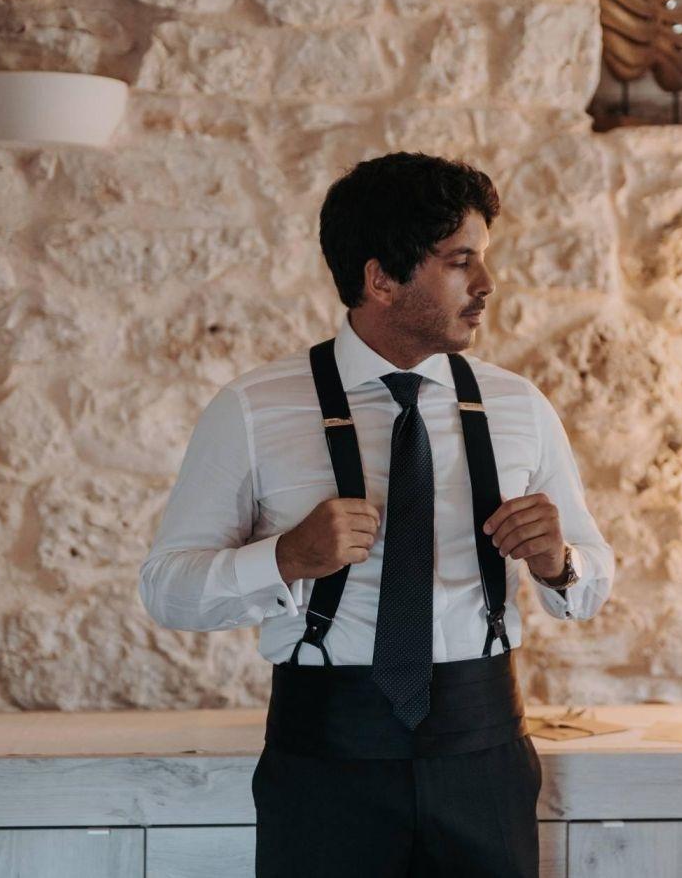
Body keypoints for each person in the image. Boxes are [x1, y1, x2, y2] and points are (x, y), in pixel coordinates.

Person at [139, 152, 615, 877]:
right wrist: (284, 559)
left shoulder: (520, 407)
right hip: (323, 763)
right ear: (381, 279)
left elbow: (590, 582)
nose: (487, 283)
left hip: (484, 756)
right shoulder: (252, 410)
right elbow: (166, 588)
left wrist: (560, 563)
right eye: (460, 261)